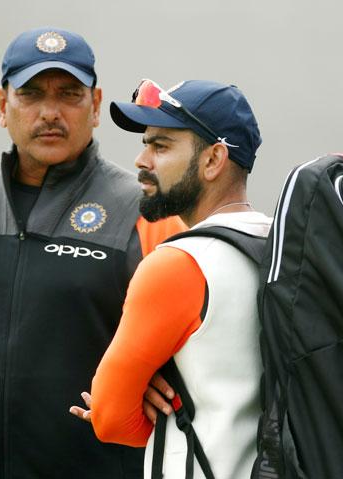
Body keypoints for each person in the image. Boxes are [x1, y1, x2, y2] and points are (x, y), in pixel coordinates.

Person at [0, 28, 184, 479]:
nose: (50, 112)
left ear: (96, 106)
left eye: (69, 95)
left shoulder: (148, 216)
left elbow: (197, 369)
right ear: (3, 106)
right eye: (31, 94)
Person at [69, 79, 271, 478]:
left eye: (161, 146)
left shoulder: (178, 263)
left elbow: (109, 419)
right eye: (146, 144)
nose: (142, 160)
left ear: (213, 160)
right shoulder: (283, 245)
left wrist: (153, 406)